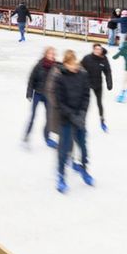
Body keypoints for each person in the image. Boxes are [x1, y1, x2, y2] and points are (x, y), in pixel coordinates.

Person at [53, 50, 94, 193]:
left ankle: (84, 169)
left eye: (74, 63)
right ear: (65, 64)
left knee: (83, 146)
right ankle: (61, 176)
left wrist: (82, 113)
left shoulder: (83, 75)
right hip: (66, 119)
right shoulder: (59, 78)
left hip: (80, 117)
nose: (73, 66)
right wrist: (72, 116)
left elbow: (86, 96)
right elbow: (59, 102)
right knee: (64, 149)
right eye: (70, 64)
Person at [24, 47, 59, 147]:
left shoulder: (56, 66)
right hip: (38, 93)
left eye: (53, 54)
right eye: (50, 53)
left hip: (48, 95)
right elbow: (31, 79)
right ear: (46, 54)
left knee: (49, 118)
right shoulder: (39, 65)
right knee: (33, 116)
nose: (51, 55)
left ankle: (47, 138)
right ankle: (27, 136)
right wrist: (29, 93)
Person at [81, 43, 114, 132]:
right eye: (96, 49)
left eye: (99, 49)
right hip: (87, 83)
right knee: (85, 104)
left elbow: (108, 71)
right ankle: (82, 122)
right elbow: (80, 68)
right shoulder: (87, 58)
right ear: (93, 50)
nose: (98, 51)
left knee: (99, 103)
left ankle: (102, 121)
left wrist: (109, 83)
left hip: (98, 84)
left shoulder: (103, 59)